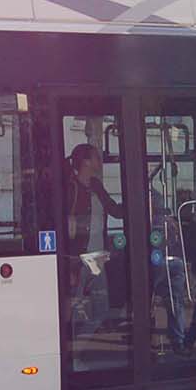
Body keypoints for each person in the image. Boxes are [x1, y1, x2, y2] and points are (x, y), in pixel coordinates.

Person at [66, 143, 127, 334]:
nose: (99, 161)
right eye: (95, 157)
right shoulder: (71, 187)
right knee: (74, 305)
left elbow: (114, 210)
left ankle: (82, 342)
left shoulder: (96, 185)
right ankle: (73, 350)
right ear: (85, 162)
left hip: (98, 256)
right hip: (78, 257)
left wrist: (136, 201)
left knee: (101, 308)